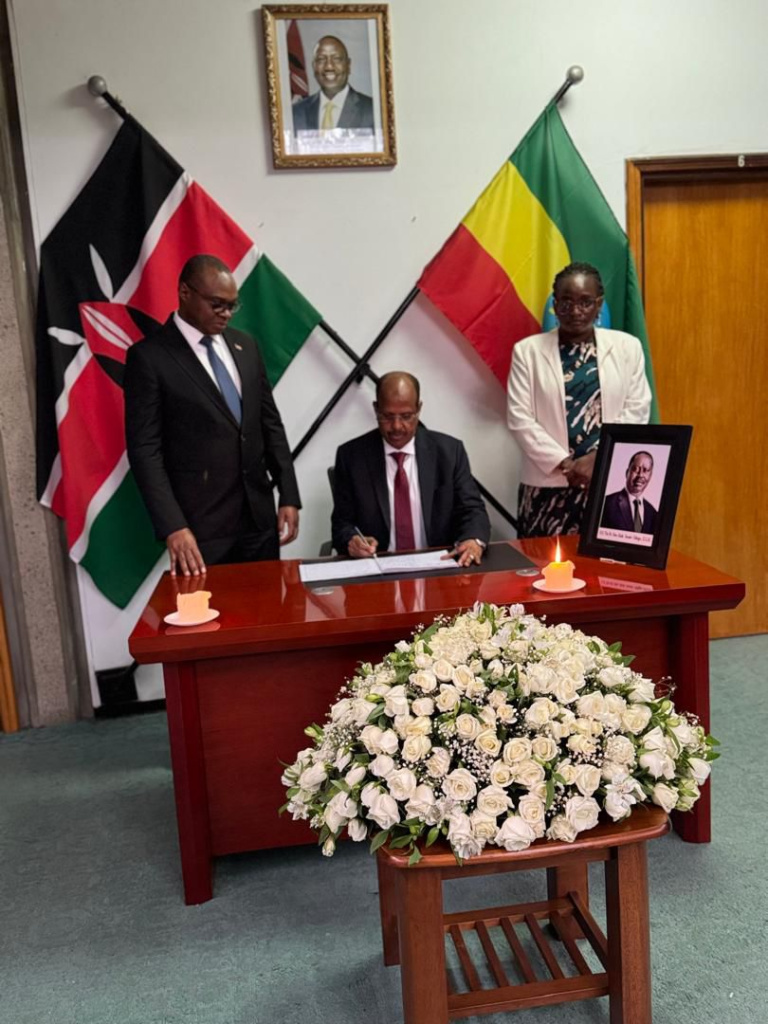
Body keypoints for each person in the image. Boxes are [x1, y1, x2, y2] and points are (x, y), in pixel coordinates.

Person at [124, 254, 300, 576]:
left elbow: (269, 423)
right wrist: (173, 525)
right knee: (208, 609)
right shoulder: (149, 358)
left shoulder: (246, 346)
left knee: (267, 605)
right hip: (200, 531)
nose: (227, 314)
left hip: (259, 520)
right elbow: (145, 450)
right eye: (217, 305)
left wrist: (288, 493)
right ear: (185, 292)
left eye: (233, 306)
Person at [506, 262, 651, 537]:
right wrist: (566, 465)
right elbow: (520, 418)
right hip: (546, 489)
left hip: (609, 483)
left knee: (608, 562)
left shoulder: (627, 347)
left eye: (585, 302)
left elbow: (637, 409)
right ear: (555, 304)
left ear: (599, 305)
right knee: (541, 562)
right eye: (566, 302)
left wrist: (599, 459)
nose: (575, 311)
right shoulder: (527, 352)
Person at [331, 372, 491, 567]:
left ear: (418, 409)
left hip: (439, 568)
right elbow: (341, 524)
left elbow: (472, 510)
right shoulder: (351, 457)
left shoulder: (449, 453)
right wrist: (352, 542)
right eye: (387, 416)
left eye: (406, 416)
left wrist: (472, 540)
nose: (397, 426)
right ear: (376, 409)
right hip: (377, 569)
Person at [292, 35, 375, 133]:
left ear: (348, 65)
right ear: (314, 66)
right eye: (321, 59)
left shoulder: (373, 110)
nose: (329, 66)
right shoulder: (296, 112)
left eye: (336, 58)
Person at [601, 451, 658, 533]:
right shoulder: (606, 503)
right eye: (636, 469)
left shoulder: (653, 513)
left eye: (645, 470)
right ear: (627, 472)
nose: (640, 475)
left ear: (650, 476)